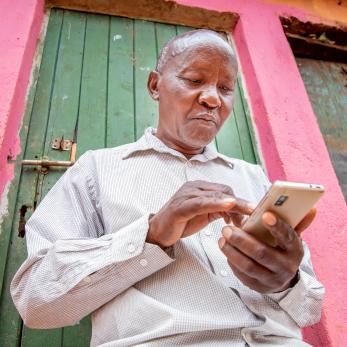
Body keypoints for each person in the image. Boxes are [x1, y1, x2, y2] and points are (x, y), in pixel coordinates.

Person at [11, 29, 324, 347]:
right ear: (154, 85)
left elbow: (310, 310)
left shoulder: (254, 177)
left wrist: (288, 280)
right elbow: (35, 304)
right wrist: (150, 235)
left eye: (226, 88)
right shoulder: (96, 170)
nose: (213, 98)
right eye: (194, 80)